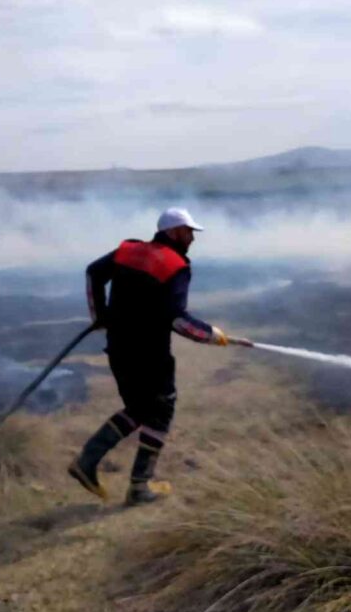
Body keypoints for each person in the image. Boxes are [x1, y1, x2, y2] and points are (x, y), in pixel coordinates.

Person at [68, 207, 251, 505]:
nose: (192, 238)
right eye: (189, 231)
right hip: (149, 353)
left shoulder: (128, 251)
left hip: (119, 347)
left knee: (141, 408)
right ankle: (136, 486)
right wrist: (214, 336)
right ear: (174, 232)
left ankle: (89, 463)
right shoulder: (174, 265)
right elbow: (176, 319)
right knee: (161, 407)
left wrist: (100, 316)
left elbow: (93, 273)